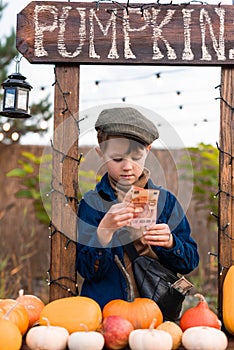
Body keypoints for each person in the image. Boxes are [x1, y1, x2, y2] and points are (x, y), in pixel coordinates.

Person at [76, 107, 199, 310]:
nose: (127, 166)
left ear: (148, 151)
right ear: (100, 153)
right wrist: (104, 232)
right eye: (117, 159)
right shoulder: (92, 204)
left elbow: (190, 261)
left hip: (156, 312)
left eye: (136, 158)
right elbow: (87, 271)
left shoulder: (166, 202)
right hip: (105, 312)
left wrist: (170, 243)